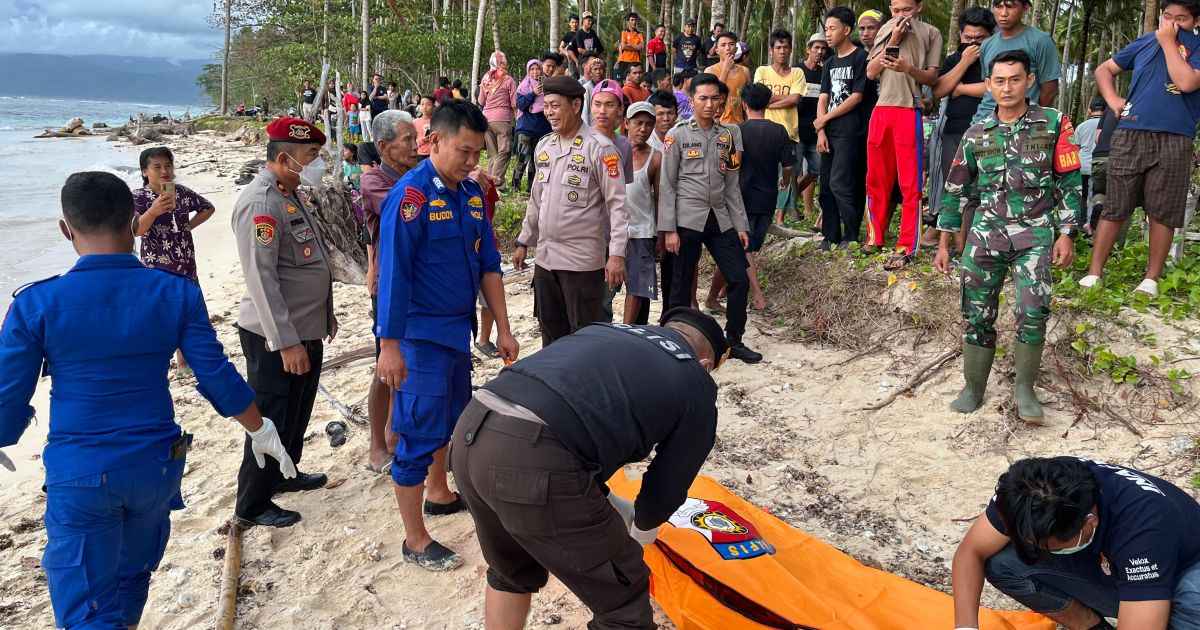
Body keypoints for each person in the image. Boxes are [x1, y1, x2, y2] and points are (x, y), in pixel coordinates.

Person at [0, 171, 296, 630]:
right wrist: (259, 427)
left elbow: (7, 397)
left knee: (87, 609)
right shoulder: (174, 292)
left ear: (66, 229)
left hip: (81, 473)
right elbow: (214, 373)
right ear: (133, 220)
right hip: (154, 467)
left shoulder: (37, 304)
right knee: (131, 580)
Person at [451, 307, 727, 630]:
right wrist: (637, 539)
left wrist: (611, 507)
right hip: (532, 458)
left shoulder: (608, 331)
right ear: (707, 364)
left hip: (472, 428)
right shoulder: (695, 377)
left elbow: (577, 419)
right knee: (623, 600)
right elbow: (667, 486)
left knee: (511, 571)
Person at [375, 101, 519, 570]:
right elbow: (392, 275)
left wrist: (503, 327)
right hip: (418, 338)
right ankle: (414, 539)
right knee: (416, 431)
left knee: (453, 420)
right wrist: (389, 346)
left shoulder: (471, 195)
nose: (473, 162)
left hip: (456, 333)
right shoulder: (410, 197)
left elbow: (488, 266)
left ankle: (438, 492)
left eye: (479, 153)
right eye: (465, 151)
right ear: (432, 141)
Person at [933, 51, 1080, 423]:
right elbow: (955, 190)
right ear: (989, 85)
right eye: (999, 80)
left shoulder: (1053, 123)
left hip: (1035, 235)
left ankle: (1025, 391)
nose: (1007, 87)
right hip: (985, 237)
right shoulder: (977, 133)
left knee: (1033, 312)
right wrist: (945, 241)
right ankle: (973, 388)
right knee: (976, 313)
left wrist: (1067, 233)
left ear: (1029, 80)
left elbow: (1070, 180)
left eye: (1015, 79)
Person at [231, 117, 336, 527]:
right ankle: (253, 502)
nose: (317, 163)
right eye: (311, 156)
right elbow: (263, 278)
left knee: (297, 411)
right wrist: (287, 343)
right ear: (285, 157)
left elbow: (307, 264)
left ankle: (285, 473)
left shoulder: (289, 194)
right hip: (275, 335)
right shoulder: (261, 204)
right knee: (270, 416)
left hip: (305, 328)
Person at [951, 456, 1200, 630]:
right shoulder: (1028, 491)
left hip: (1180, 574)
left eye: (1051, 546)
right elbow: (971, 552)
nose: (1040, 551)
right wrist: (965, 627)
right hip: (1113, 566)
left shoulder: (1143, 528)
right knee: (1002, 562)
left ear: (1089, 522)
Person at [1081, 0, 1200, 297]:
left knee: (1163, 209)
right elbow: (1104, 69)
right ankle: (1094, 273)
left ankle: (1151, 279)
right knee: (1115, 204)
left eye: (1181, 18)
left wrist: (1168, 42)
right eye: (1167, 16)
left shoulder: (1194, 46)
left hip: (1175, 135)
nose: (1172, 23)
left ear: (1196, 20)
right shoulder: (1146, 41)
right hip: (1131, 131)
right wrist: (1113, 100)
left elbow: (1186, 82)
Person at [512, 76, 629, 346]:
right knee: (550, 331)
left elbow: (618, 206)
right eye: (546, 106)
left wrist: (617, 255)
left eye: (555, 105)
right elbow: (536, 199)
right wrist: (523, 240)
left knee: (585, 337)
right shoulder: (545, 146)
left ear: (576, 105)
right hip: (546, 258)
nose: (549, 112)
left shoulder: (600, 148)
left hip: (581, 262)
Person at [659, 73, 762, 363]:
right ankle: (672, 340)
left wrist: (740, 224)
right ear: (691, 101)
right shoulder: (677, 135)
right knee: (679, 282)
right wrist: (668, 229)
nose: (709, 103)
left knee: (739, 279)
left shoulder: (729, 135)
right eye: (702, 98)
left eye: (714, 98)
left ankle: (734, 341)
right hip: (686, 218)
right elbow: (667, 184)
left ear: (722, 101)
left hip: (719, 217)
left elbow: (732, 185)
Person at [360, 110, 421, 474]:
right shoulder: (374, 181)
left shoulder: (414, 173)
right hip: (389, 286)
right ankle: (376, 445)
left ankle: (397, 434)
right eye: (408, 141)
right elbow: (408, 211)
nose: (416, 146)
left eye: (416, 139)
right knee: (385, 366)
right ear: (383, 146)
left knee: (409, 362)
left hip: (416, 280)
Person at [864, 0, 944, 269]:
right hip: (881, 110)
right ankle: (874, 237)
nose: (901, 15)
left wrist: (908, 68)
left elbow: (932, 79)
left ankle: (906, 244)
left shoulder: (931, 33)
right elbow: (871, 72)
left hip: (908, 111)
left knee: (910, 183)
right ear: (890, 8)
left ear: (918, 7)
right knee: (876, 178)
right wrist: (893, 39)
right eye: (897, 10)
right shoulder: (886, 28)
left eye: (907, 9)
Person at [930, 6, 995, 253]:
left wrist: (962, 89)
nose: (973, 43)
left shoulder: (996, 57)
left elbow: (995, 87)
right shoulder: (953, 59)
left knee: (983, 189)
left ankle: (979, 244)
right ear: (960, 35)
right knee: (955, 187)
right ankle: (959, 245)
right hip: (955, 130)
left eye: (979, 38)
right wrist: (965, 62)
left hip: (988, 130)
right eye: (968, 37)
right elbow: (939, 89)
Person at [736, 83, 794, 309]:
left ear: (744, 104)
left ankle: (757, 295)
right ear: (768, 103)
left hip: (742, 197)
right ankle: (725, 289)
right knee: (748, 246)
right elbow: (788, 166)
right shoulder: (779, 131)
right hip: (768, 197)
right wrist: (785, 181)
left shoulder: (738, 131)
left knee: (744, 246)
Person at [816, 6, 870, 250]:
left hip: (851, 131)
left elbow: (857, 96)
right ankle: (830, 236)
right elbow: (823, 96)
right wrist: (820, 129)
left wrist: (825, 119)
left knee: (843, 182)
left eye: (832, 28)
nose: (828, 33)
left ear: (846, 30)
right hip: (828, 131)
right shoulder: (829, 63)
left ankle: (851, 235)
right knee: (825, 185)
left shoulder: (860, 58)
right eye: (826, 29)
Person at [133, 146, 215, 287]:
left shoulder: (182, 192)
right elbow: (135, 231)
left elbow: (207, 208)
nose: (164, 171)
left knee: (189, 304)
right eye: (157, 167)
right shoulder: (137, 197)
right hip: (156, 266)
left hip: (186, 263)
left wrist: (188, 226)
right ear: (144, 171)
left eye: (168, 166)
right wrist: (152, 212)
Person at [973, 0, 1061, 123]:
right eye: (998, 6)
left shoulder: (1041, 41)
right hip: (983, 121)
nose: (1003, 13)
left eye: (1010, 6)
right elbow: (989, 87)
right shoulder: (987, 44)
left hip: (1022, 125)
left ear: (1025, 8)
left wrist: (1032, 119)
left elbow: (1049, 90)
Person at [753, 30, 807, 226]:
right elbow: (759, 95)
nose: (782, 51)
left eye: (785, 47)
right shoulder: (762, 71)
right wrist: (784, 99)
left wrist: (769, 102)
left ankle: (780, 217)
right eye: (778, 47)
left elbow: (795, 98)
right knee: (764, 175)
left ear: (791, 49)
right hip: (764, 131)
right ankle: (762, 214)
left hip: (789, 133)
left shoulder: (797, 73)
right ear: (771, 50)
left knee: (786, 174)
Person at [623, 101, 662, 325]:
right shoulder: (612, 151)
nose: (643, 129)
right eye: (638, 123)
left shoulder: (655, 157)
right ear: (626, 124)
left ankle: (628, 332)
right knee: (606, 288)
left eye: (648, 124)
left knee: (638, 287)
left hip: (642, 230)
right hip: (613, 231)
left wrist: (661, 233)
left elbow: (660, 197)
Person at [479, 50, 518, 188]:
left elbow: (481, 100)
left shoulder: (485, 78)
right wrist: (517, 119)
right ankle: (495, 182)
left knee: (492, 153)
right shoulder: (508, 79)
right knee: (505, 151)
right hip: (502, 120)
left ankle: (487, 183)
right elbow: (514, 103)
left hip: (486, 120)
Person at [512, 58, 551, 193]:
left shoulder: (548, 84)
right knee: (522, 158)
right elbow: (521, 105)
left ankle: (531, 188)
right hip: (526, 127)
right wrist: (533, 93)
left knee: (537, 160)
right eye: (532, 69)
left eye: (537, 68)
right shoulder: (523, 86)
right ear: (528, 71)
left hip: (543, 127)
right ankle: (515, 186)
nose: (535, 72)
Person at [706, 31, 751, 125]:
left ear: (736, 49)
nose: (728, 48)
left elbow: (748, 100)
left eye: (731, 44)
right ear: (717, 50)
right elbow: (713, 95)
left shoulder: (745, 71)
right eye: (723, 45)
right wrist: (725, 70)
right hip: (717, 124)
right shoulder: (709, 71)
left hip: (739, 124)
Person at [1074, 97, 1105, 222]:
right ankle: (1095, 225)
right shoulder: (1109, 125)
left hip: (1082, 167)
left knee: (1083, 197)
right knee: (1099, 198)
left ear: (1089, 110)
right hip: (1101, 166)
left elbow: (1076, 148)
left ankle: (1082, 224)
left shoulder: (1081, 127)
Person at [616, 12, 645, 83]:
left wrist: (629, 45)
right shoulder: (624, 32)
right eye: (632, 20)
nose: (634, 22)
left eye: (635, 20)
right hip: (624, 60)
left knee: (636, 81)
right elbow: (623, 46)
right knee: (623, 82)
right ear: (628, 21)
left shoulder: (639, 34)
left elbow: (641, 47)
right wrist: (635, 46)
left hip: (636, 61)